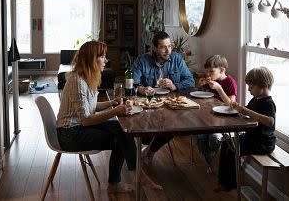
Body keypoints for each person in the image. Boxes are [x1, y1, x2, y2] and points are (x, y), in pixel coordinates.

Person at [56, 41, 161, 193]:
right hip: (70, 134)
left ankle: (129, 178)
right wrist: (116, 110)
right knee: (121, 137)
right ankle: (125, 180)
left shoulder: (86, 77)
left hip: (78, 126)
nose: (106, 60)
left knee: (121, 129)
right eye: (102, 57)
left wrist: (112, 103)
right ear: (92, 59)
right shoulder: (77, 82)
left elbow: (91, 108)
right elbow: (86, 120)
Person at [132, 31, 194, 164]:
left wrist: (174, 86)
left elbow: (190, 81)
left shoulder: (177, 59)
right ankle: (145, 150)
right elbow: (132, 83)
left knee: (174, 127)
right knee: (144, 133)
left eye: (170, 46)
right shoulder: (142, 60)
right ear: (154, 48)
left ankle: (150, 151)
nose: (168, 51)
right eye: (163, 47)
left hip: (170, 104)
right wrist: (141, 88)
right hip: (148, 104)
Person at [215, 66, 276, 191]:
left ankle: (231, 184)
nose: (248, 89)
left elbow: (270, 121)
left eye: (251, 87)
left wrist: (246, 110)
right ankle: (223, 181)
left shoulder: (268, 103)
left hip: (263, 142)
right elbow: (246, 112)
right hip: (251, 137)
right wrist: (238, 108)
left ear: (263, 85)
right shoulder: (256, 99)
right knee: (226, 144)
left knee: (232, 150)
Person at [196, 55, 237, 172]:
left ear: (222, 70)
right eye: (207, 71)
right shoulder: (212, 81)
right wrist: (200, 86)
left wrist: (219, 89)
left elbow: (231, 105)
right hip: (209, 116)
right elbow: (203, 97)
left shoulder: (230, 82)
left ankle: (216, 157)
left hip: (224, 119)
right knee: (200, 137)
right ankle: (210, 161)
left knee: (214, 138)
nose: (208, 74)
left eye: (211, 71)